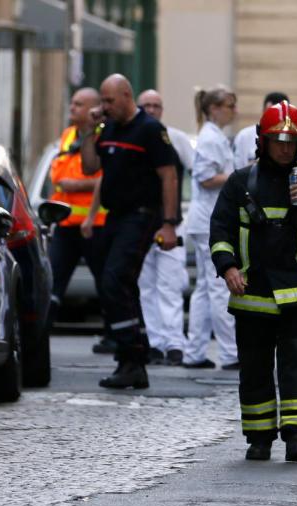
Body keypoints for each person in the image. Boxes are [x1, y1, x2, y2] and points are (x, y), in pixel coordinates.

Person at [209, 101, 297, 461]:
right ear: (263, 141)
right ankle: (259, 438)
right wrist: (228, 268)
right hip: (251, 293)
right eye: (278, 140)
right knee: (254, 368)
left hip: (296, 295)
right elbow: (220, 230)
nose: (285, 148)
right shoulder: (241, 183)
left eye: (292, 141)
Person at [79, 74, 180, 390]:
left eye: (109, 101)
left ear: (126, 96)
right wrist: (88, 132)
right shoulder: (106, 128)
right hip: (115, 216)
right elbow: (90, 167)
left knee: (115, 278)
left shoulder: (150, 129)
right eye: (102, 101)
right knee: (118, 282)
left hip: (142, 215)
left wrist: (169, 222)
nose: (105, 107)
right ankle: (135, 354)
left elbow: (169, 176)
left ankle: (131, 358)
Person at [173, 86, 241, 371]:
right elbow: (205, 178)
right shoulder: (211, 139)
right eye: (229, 105)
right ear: (213, 108)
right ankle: (229, 353)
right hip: (210, 219)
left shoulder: (215, 137)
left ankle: (195, 351)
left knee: (204, 288)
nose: (233, 111)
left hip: (206, 219)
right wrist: (238, 176)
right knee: (217, 287)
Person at [135, 89, 193, 366]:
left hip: (170, 224)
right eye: (146, 105)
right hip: (142, 224)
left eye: (156, 105)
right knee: (146, 286)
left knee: (169, 285)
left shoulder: (175, 139)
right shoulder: (133, 136)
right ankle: (156, 343)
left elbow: (197, 170)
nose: (151, 110)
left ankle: (174, 344)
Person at [48, 88, 108, 340]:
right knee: (52, 281)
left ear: (94, 108)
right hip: (65, 223)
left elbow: (107, 178)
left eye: (79, 104)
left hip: (95, 224)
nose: (72, 108)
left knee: (107, 282)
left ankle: (114, 335)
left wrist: (77, 185)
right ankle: (40, 332)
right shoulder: (68, 135)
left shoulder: (104, 135)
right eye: (72, 103)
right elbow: (58, 175)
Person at [234, 91, 288, 169]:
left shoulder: (294, 136)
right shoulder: (245, 136)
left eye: (278, 114)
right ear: (263, 111)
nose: (273, 117)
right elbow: (238, 167)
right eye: (269, 112)